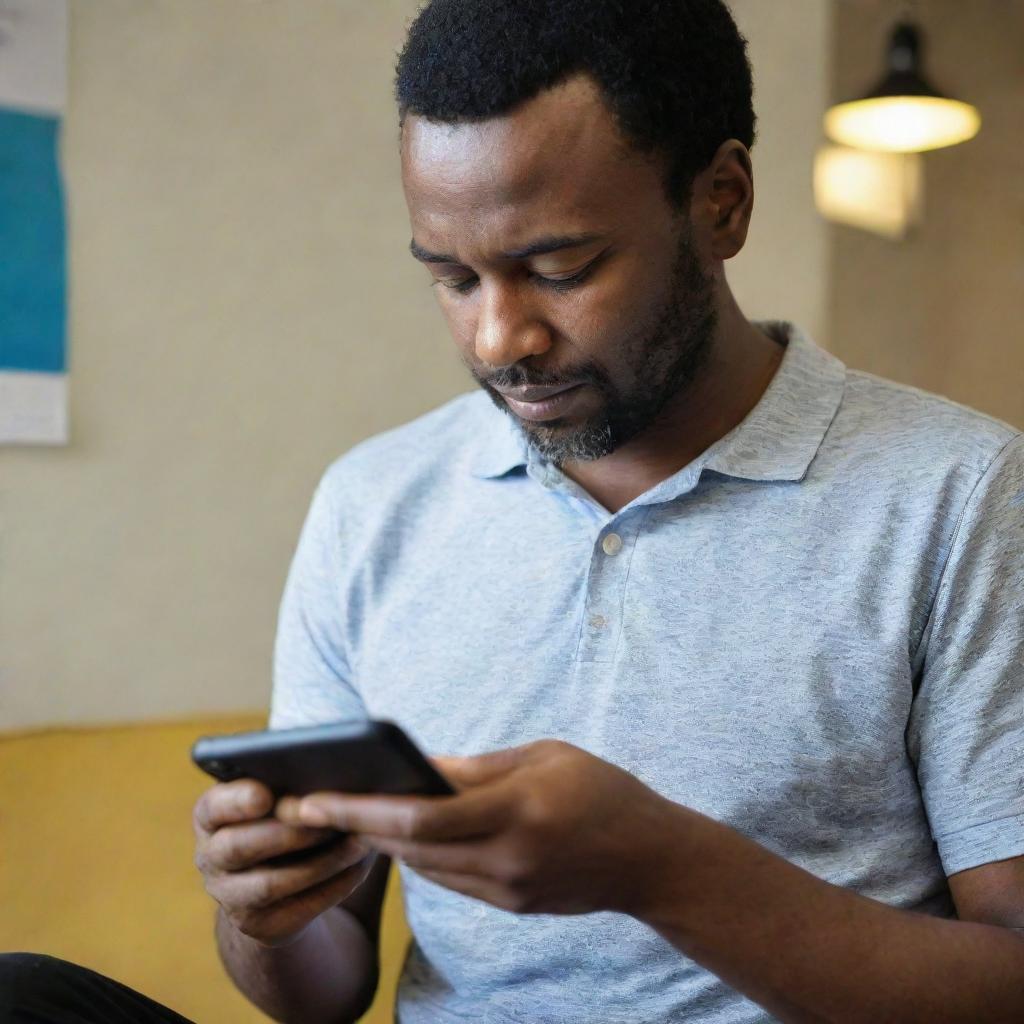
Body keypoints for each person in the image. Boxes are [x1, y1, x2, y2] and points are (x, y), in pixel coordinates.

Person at [4, 0, 1023, 1021]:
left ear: (720, 202)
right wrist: (262, 911)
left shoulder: (960, 496)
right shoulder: (375, 502)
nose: (499, 340)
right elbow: (320, 992)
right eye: (451, 277)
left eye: (559, 268)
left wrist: (666, 870)